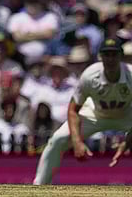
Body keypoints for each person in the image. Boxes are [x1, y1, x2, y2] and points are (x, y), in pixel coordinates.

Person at [33, 38, 132, 184]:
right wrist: (77, 141)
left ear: (121, 57)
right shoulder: (90, 75)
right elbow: (73, 109)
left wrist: (127, 142)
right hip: (95, 114)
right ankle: (39, 188)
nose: (110, 59)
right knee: (57, 140)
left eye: (114, 54)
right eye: (106, 54)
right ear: (100, 57)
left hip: (126, 115)